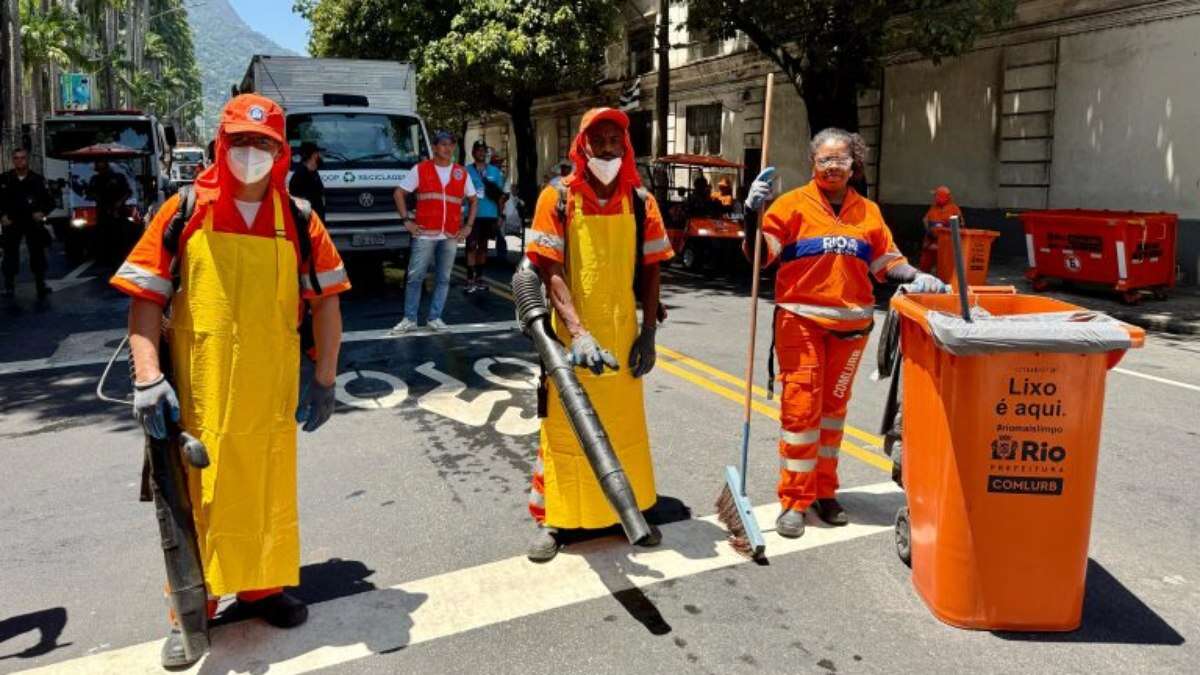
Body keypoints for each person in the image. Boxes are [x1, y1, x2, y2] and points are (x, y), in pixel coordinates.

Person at [110, 94, 350, 668]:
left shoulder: (297, 218)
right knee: (194, 499)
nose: (252, 153)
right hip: (200, 395)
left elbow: (327, 302)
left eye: (263, 144)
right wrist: (147, 379)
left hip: (270, 396)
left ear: (280, 150)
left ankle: (262, 586)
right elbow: (146, 301)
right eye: (241, 141)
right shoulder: (183, 210)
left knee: (267, 488)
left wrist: (324, 378)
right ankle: (192, 607)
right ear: (222, 143)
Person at [744, 127, 948, 539]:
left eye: (841, 159)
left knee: (833, 414)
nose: (833, 166)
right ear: (812, 163)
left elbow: (886, 261)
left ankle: (824, 491)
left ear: (854, 164)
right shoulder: (790, 205)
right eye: (825, 159)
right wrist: (751, 213)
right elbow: (760, 255)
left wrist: (917, 275)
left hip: (851, 329)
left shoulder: (867, 212)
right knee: (801, 412)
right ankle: (794, 500)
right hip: (799, 322)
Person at [524, 108, 674, 562]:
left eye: (615, 140)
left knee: (623, 428)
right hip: (571, 340)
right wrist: (578, 334)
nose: (607, 147)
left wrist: (648, 333)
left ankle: (627, 511)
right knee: (566, 431)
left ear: (624, 146)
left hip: (623, 336)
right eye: (599, 140)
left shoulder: (642, 200)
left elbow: (651, 269)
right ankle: (556, 519)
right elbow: (549, 270)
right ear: (583, 146)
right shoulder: (557, 198)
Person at [391, 131, 478, 332]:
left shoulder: (460, 172)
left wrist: (469, 226)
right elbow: (399, 193)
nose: (448, 148)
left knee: (443, 278)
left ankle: (435, 318)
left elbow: (473, 200)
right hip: (425, 233)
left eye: (451, 144)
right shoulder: (421, 169)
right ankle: (410, 319)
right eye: (444, 144)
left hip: (449, 234)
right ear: (435, 146)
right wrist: (407, 221)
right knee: (415, 277)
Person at [0, 147, 54, 298]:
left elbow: (50, 201)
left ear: (27, 159)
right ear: (13, 160)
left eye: (22, 158)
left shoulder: (37, 180)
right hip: (12, 221)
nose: (19, 161)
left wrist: (42, 212)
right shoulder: (5, 179)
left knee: (37, 253)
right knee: (10, 254)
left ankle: (40, 284)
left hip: (32, 222)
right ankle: (9, 286)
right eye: (16, 158)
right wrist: (2, 216)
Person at [464, 140, 505, 292]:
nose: (481, 153)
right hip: (472, 215)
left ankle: (479, 278)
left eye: (483, 151)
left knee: (483, 247)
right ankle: (469, 279)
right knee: (471, 247)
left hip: (490, 215)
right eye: (478, 150)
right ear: (473, 153)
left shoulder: (495, 172)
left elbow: (500, 196)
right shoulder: (466, 171)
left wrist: (501, 215)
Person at [86, 159, 133, 266]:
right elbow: (89, 193)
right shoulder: (95, 179)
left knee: (120, 234)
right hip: (103, 210)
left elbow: (128, 192)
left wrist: (120, 202)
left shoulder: (119, 177)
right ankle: (106, 257)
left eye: (103, 168)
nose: (101, 171)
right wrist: (95, 197)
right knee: (104, 234)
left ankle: (120, 256)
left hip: (118, 210)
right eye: (99, 169)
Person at [918, 185, 964, 273]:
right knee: (925, 265)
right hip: (931, 241)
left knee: (945, 268)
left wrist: (944, 237)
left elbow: (960, 226)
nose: (935, 198)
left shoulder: (954, 209)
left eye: (937, 196)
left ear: (945, 197)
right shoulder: (933, 207)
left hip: (947, 244)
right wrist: (930, 235)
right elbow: (926, 220)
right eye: (935, 196)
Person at [288, 141, 326, 222]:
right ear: (314, 155)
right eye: (318, 153)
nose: (321, 156)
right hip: (308, 219)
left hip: (317, 217)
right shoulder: (300, 174)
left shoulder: (314, 172)